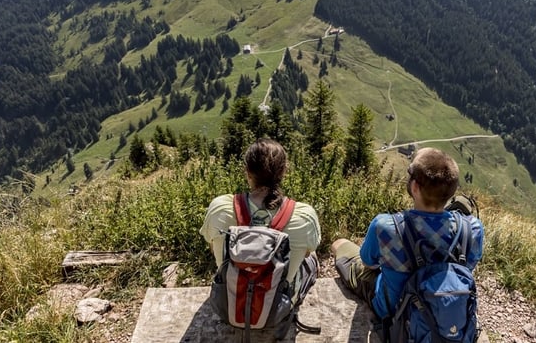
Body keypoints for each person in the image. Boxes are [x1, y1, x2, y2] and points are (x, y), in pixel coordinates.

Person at [330, 147, 484, 322]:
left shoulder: (386, 226)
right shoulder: (472, 229)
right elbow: (467, 267)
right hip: (447, 313)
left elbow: (368, 263)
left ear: (415, 187)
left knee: (340, 244)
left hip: (394, 311)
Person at [200, 137, 321, 290]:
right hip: (278, 308)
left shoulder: (220, 207)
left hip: (231, 301)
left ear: (247, 172)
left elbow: (212, 247)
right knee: (311, 255)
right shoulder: (305, 216)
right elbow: (305, 254)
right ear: (284, 172)